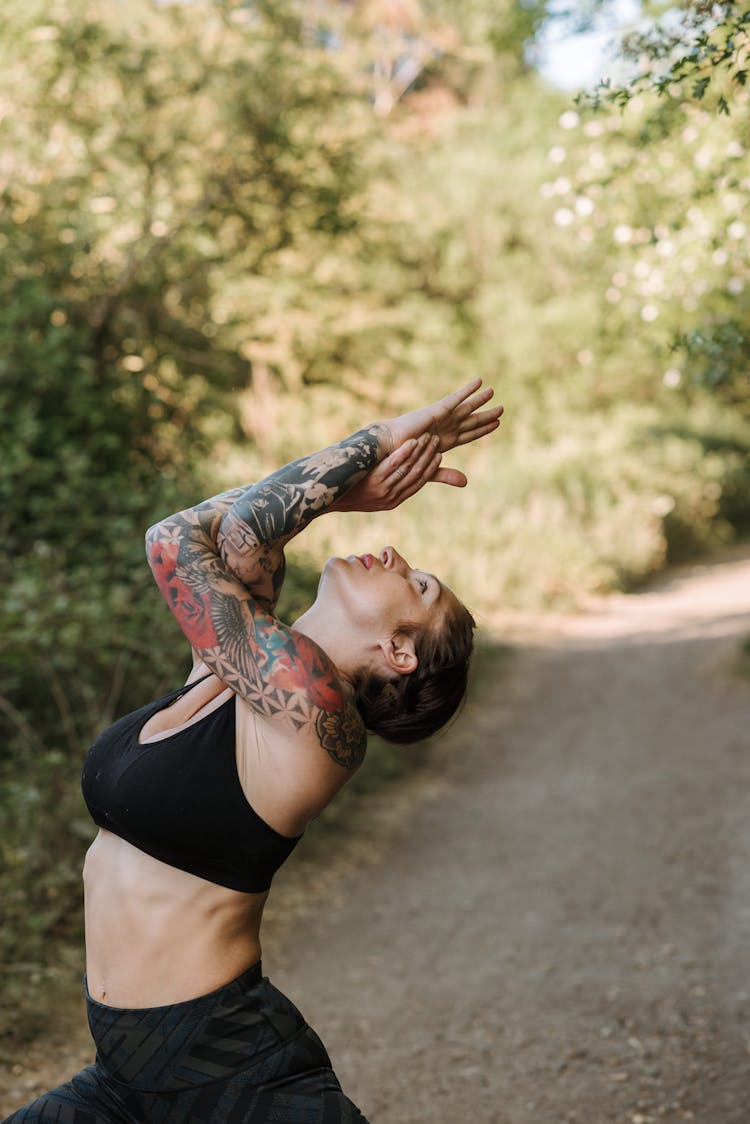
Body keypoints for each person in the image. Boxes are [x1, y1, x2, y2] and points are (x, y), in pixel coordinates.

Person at [4, 378, 502, 1123]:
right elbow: (223, 530)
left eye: (420, 584)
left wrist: (378, 437)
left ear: (399, 651)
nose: (397, 553)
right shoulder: (233, 667)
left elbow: (174, 547)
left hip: (226, 1071)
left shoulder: (313, 713)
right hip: (123, 1073)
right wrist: (346, 493)